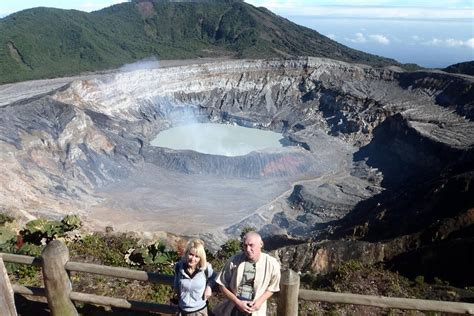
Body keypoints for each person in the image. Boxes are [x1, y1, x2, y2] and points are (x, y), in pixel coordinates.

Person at [213, 231, 281, 316]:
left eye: (251, 245)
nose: (248, 249)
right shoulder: (234, 260)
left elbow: (273, 287)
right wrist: (237, 302)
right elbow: (222, 284)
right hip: (234, 307)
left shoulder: (272, 263)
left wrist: (259, 302)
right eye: (245, 245)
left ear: (261, 244)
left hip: (256, 309)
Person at [174, 239, 215, 316]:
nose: (193, 259)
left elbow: (214, 278)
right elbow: (176, 285)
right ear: (186, 253)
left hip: (199, 311)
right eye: (191, 254)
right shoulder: (179, 267)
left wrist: (209, 287)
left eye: (197, 256)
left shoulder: (205, 269)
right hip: (182, 310)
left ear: (201, 258)